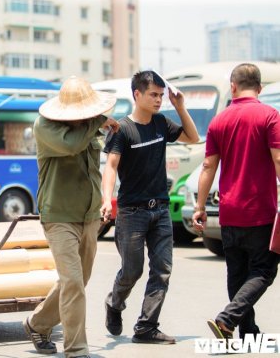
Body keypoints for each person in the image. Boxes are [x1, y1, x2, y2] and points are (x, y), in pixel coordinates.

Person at [22, 75, 119, 358]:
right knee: (74, 281)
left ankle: (37, 323)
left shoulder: (91, 127)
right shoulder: (45, 126)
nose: (86, 118)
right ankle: (77, 350)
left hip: (88, 215)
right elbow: (71, 145)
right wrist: (98, 121)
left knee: (76, 280)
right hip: (59, 216)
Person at [101, 70, 199, 344]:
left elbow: (192, 138)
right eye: (153, 95)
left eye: (160, 95)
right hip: (132, 212)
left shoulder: (161, 123)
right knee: (132, 270)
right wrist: (107, 200)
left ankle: (146, 326)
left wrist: (180, 107)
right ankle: (115, 302)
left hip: (161, 210)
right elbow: (110, 166)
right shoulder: (122, 129)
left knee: (162, 270)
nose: (158, 100)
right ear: (137, 95)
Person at [192, 63, 280, 341]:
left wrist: (200, 206)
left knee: (238, 274)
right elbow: (278, 159)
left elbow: (208, 166)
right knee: (264, 271)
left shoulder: (219, 121)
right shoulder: (270, 116)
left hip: (228, 211)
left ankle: (247, 332)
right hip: (261, 211)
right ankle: (227, 319)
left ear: (232, 87)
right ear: (260, 88)